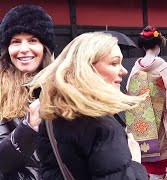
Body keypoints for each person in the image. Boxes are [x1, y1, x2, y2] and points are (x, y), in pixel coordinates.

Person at [28, 32, 148, 180]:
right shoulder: (103, 127)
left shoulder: (51, 116)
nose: (124, 71)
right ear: (86, 69)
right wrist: (135, 163)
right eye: (114, 63)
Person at [126, 26, 167, 180]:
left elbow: (129, 88)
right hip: (159, 115)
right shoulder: (162, 65)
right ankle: (161, 176)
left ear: (142, 46)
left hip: (141, 116)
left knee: (142, 148)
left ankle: (145, 175)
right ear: (157, 45)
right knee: (161, 146)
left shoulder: (136, 66)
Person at [0, 5, 55, 179]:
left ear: (45, 47)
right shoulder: (1, 92)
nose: (24, 49)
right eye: (16, 41)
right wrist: (29, 127)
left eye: (32, 40)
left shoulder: (63, 87)